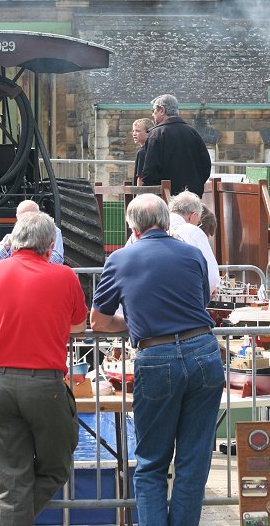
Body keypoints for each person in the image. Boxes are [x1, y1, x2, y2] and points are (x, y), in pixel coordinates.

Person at [90, 193, 224, 526]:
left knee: (151, 464)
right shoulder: (193, 254)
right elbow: (199, 300)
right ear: (167, 221)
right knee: (193, 465)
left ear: (132, 227)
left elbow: (99, 322)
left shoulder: (121, 259)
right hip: (204, 351)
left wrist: (133, 323)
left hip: (157, 354)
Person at [0, 211, 88, 526]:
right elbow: (79, 326)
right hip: (46, 387)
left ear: (14, 241)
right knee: (56, 467)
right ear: (50, 245)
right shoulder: (65, 276)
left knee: (13, 481)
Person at [142, 94, 211, 197]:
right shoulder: (193, 133)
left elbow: (150, 171)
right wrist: (196, 186)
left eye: (153, 111)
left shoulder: (156, 134)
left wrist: (151, 195)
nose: (152, 115)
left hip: (166, 198)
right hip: (192, 197)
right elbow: (205, 165)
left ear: (162, 110)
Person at [168, 190, 220, 297]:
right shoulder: (192, 231)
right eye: (198, 222)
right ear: (194, 216)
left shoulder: (149, 226)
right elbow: (212, 279)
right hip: (180, 302)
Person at [0, 199, 64, 264]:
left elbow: (58, 260)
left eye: (31, 216)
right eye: (24, 218)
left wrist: (37, 251)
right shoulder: (9, 237)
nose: (28, 221)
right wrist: (7, 246)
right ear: (17, 217)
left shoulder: (53, 231)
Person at [132, 118, 153, 186]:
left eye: (137, 131)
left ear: (148, 133)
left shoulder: (142, 152)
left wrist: (138, 195)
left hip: (143, 192)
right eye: (133, 131)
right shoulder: (154, 149)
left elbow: (140, 177)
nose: (134, 134)